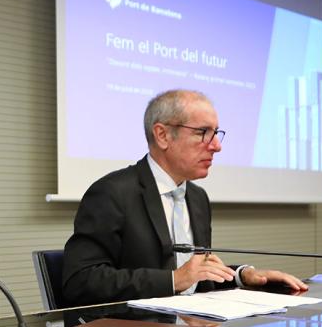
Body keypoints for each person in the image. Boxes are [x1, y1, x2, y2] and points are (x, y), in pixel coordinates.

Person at [62, 89, 307, 305]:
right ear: (162, 135)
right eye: (203, 132)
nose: (216, 146)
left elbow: (196, 280)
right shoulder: (112, 193)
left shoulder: (197, 198)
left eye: (215, 133)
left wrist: (242, 276)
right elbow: (80, 281)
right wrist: (173, 280)